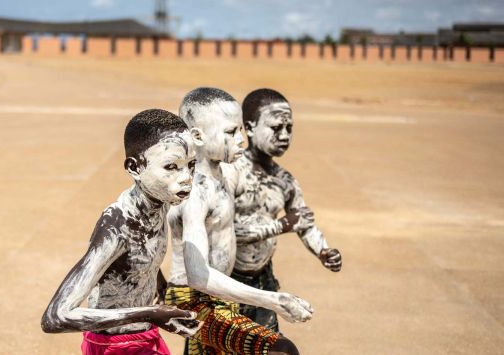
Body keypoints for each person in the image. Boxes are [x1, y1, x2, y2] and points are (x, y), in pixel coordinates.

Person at [41, 109, 202, 355]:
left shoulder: (161, 200)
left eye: (191, 165)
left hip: (146, 336)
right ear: (134, 167)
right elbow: (55, 316)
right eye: (171, 166)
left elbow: (140, 254)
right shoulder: (116, 225)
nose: (186, 178)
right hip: (113, 347)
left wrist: (159, 285)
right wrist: (150, 313)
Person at [165, 88, 311, 355]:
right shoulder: (195, 192)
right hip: (197, 302)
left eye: (241, 130)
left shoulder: (221, 173)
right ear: (197, 136)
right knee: (281, 350)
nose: (242, 141)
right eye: (231, 133)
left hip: (220, 299)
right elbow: (198, 276)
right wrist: (274, 300)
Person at [230, 88, 342, 332]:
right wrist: (281, 225)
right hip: (226, 283)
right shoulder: (231, 172)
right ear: (249, 128)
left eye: (289, 128)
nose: (284, 135)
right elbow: (223, 232)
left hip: (263, 280)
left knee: (270, 345)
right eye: (275, 128)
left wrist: (323, 250)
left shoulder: (285, 181)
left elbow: (304, 223)